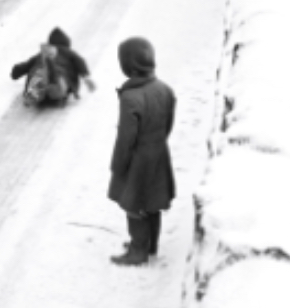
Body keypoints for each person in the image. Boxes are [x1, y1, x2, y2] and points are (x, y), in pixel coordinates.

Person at [108, 37, 176, 267]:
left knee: (133, 204)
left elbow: (126, 138)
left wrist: (119, 166)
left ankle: (138, 250)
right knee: (152, 202)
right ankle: (151, 244)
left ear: (129, 65)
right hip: (159, 153)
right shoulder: (165, 89)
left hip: (138, 160)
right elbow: (168, 124)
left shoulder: (130, 98)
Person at [10, 28, 95, 106]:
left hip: (40, 73)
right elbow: (79, 61)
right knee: (58, 79)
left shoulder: (41, 54)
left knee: (37, 74)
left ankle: (35, 90)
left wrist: (15, 72)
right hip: (61, 77)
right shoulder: (67, 51)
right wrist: (86, 76)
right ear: (66, 43)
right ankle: (53, 80)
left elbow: (25, 65)